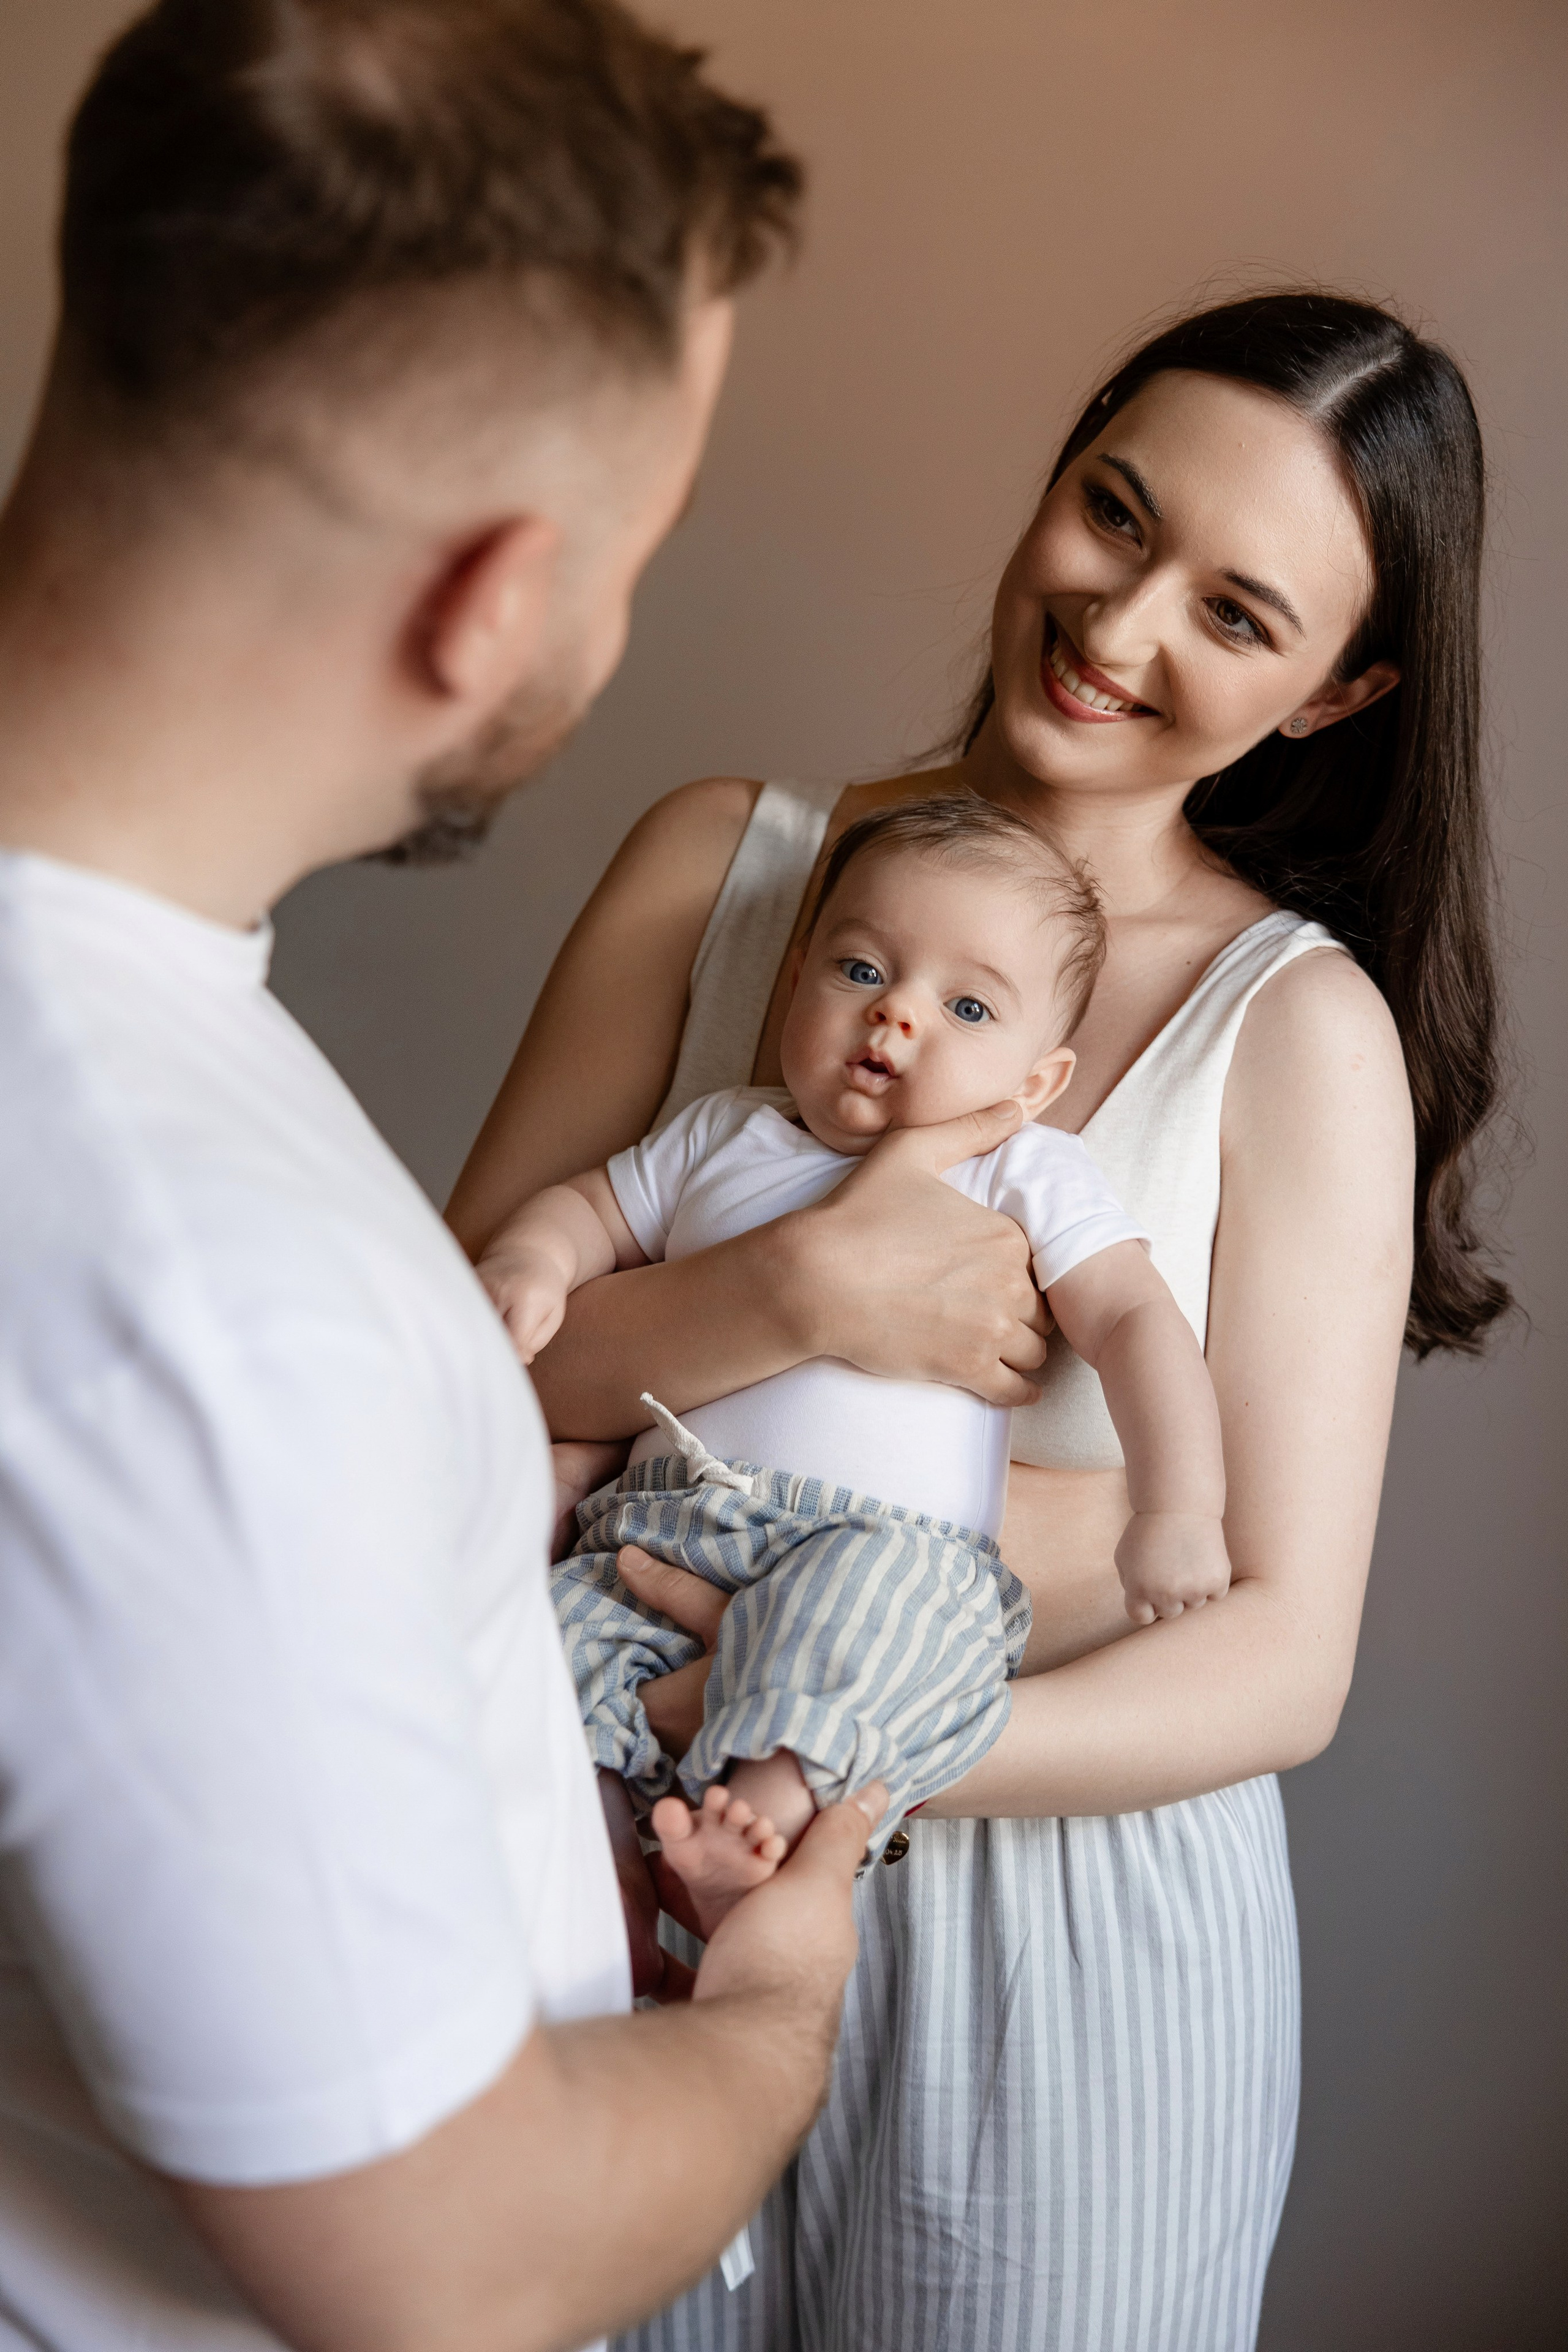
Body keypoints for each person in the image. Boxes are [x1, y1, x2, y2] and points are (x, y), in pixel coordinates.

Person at [448, 290, 1509, 2350]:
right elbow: (438, 1396)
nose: (1121, 628)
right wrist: (799, 1288)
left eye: (1238, 614)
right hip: (620, 1865)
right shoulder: (717, 866)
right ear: (1057, 472)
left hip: (1056, 1936)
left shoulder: (1295, 1033)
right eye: (1117, 515)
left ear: (1335, 690)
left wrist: (813, 1762)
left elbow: (1279, 1662)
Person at [0, 7, 890, 2352]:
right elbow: (441, 2258)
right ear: (497, 601)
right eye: (640, 551)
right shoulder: (205, 1281)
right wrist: (768, 2019)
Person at [481, 794, 1234, 1926]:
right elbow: (589, 1207)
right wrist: (535, 1263)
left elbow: (1134, 1320)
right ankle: (605, 1885)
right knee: (561, 1643)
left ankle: (764, 1814)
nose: (896, 1018)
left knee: (870, 1629)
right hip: (664, 1520)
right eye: (860, 970)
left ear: (1035, 1080)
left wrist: (1177, 1509)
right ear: (794, 982)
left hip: (882, 1542)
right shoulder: (722, 1134)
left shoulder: (1021, 1168)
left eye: (967, 1005)